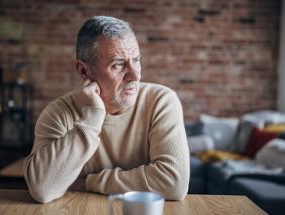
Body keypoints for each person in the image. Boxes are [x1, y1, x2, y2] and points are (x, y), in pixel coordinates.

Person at [23, 16, 190, 203]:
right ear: (84, 71)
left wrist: (88, 182)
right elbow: (42, 189)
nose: (135, 74)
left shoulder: (161, 101)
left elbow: (173, 184)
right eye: (118, 64)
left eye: (136, 60)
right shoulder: (58, 113)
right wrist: (92, 118)